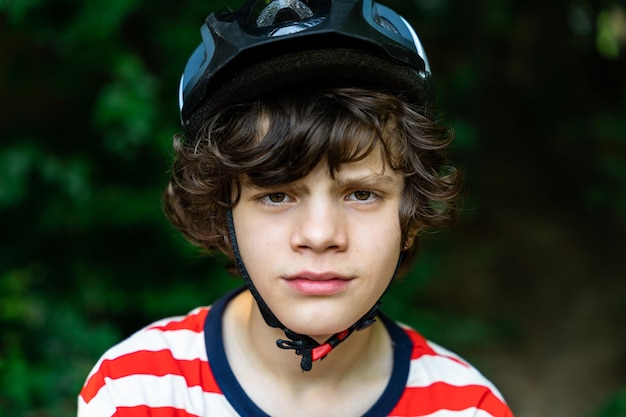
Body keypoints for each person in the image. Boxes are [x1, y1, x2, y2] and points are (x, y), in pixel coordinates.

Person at [78, 0, 515, 416]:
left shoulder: (467, 408)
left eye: (362, 194)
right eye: (276, 194)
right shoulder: (136, 391)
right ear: (221, 215)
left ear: (411, 215)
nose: (321, 235)